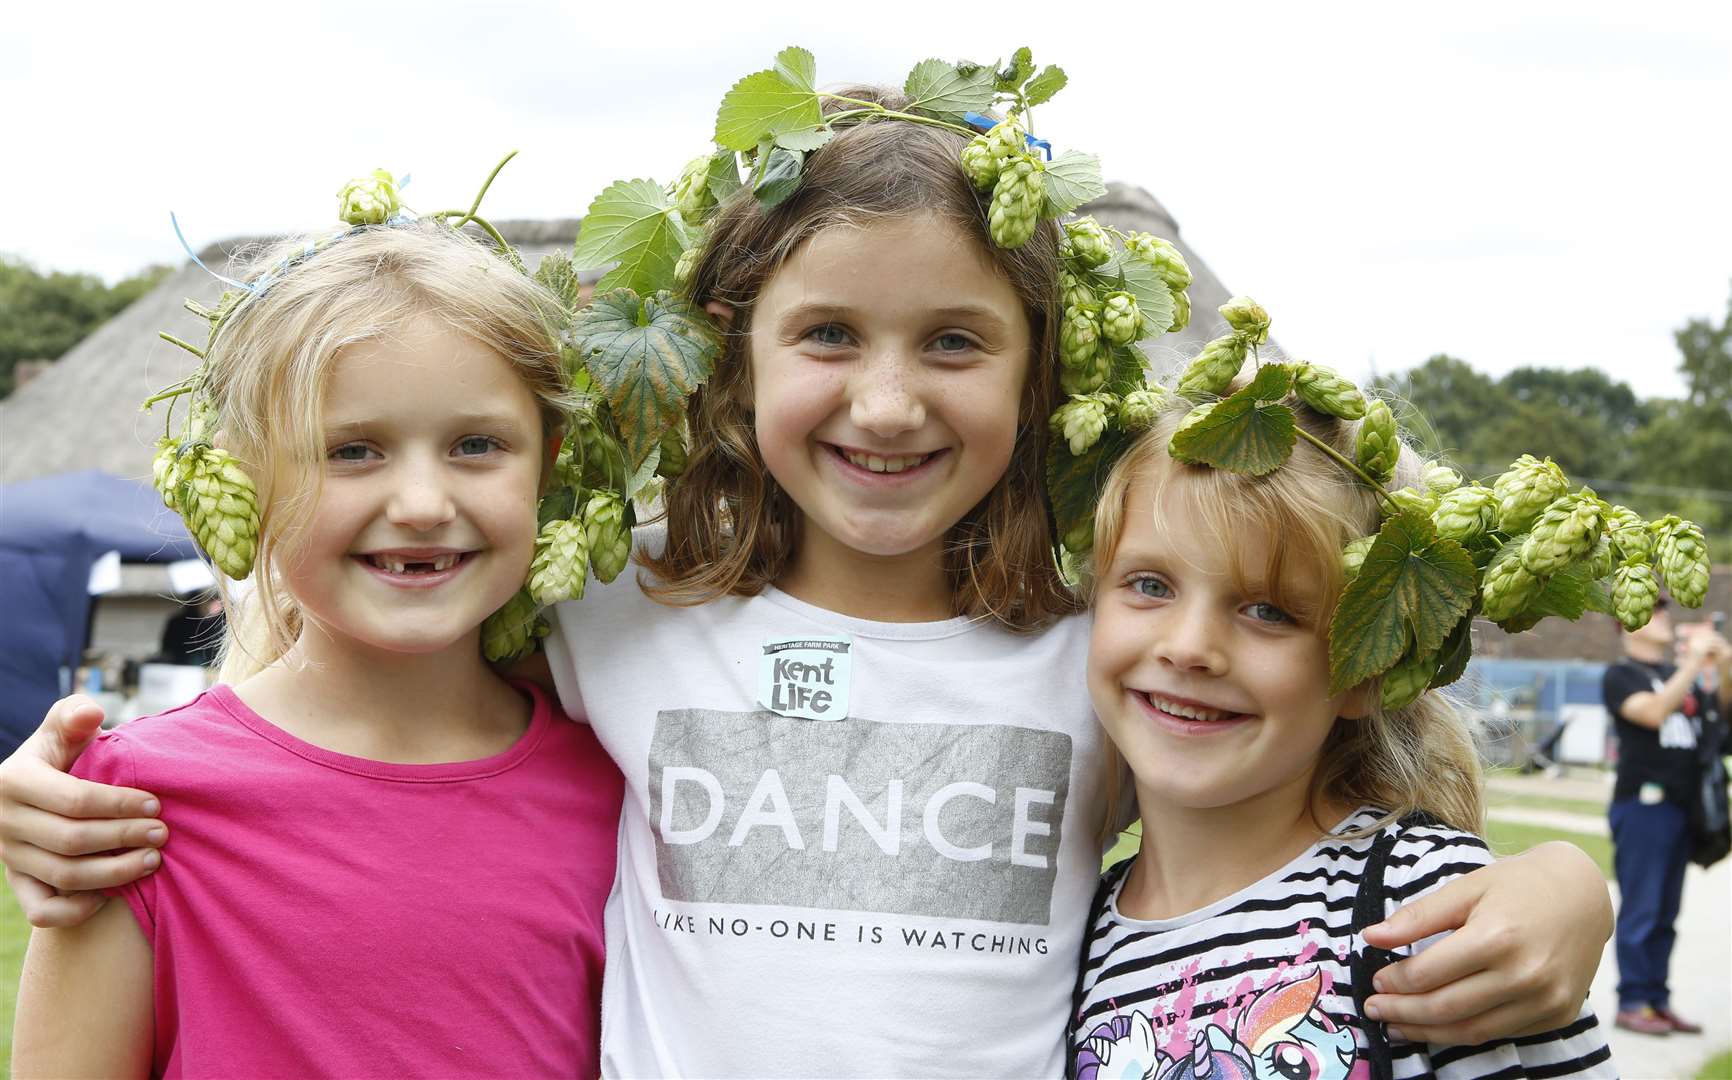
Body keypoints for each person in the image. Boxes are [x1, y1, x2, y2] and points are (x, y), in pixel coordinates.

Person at [3, 86, 1612, 1076]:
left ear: (1041, 369)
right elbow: (374, 657)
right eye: (829, 336)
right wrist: (76, 789)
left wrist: (1566, 886)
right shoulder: (616, 609)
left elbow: (1308, 808)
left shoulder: (1097, 644)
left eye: (957, 343)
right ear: (733, 356)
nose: (890, 403)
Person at [10, 220, 623, 1077]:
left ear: (548, 465)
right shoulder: (135, 806)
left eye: (475, 445)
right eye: (352, 451)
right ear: (247, 475)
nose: (418, 502)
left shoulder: (619, 788)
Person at [1070, 386, 1615, 1077]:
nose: (1187, 647)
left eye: (1267, 610)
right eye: (1150, 585)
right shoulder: (1071, 933)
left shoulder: (1427, 908)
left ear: (1365, 671)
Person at [1601, 598, 1730, 1035]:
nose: (1664, 616)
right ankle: (1633, 1000)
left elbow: (1724, 716)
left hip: (1680, 808)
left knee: (1666, 913)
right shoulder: (1621, 676)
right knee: (1643, 908)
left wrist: (1723, 663)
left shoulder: (1680, 679)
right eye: (1653, 610)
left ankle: (1657, 999)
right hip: (1643, 807)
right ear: (1628, 622)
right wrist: (1692, 663)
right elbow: (1654, 713)